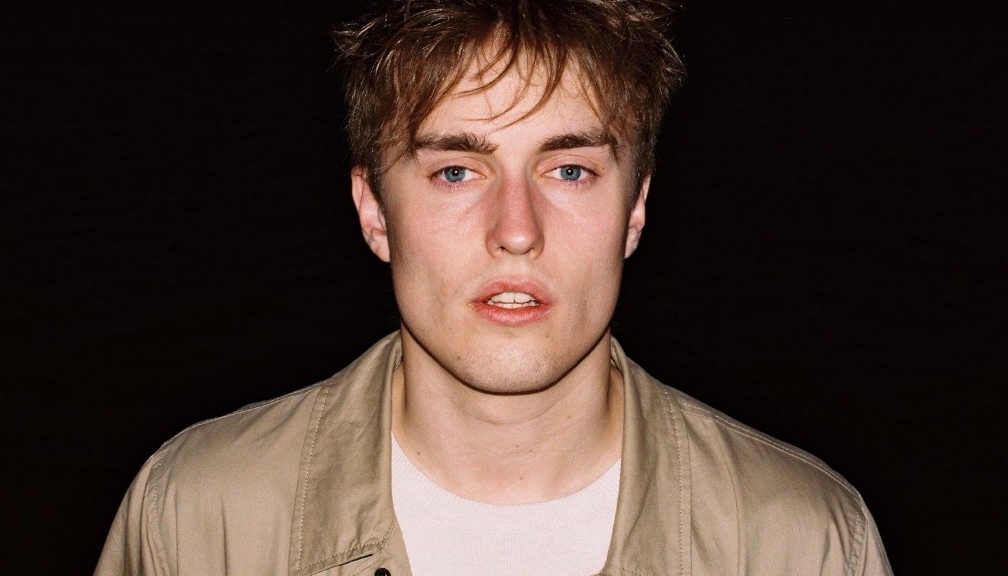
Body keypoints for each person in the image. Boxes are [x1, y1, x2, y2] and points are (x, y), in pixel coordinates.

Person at [95, 1, 893, 575]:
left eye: (569, 170)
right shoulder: (196, 520)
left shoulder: (802, 543)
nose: (516, 230)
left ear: (636, 209)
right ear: (374, 211)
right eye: (456, 171)